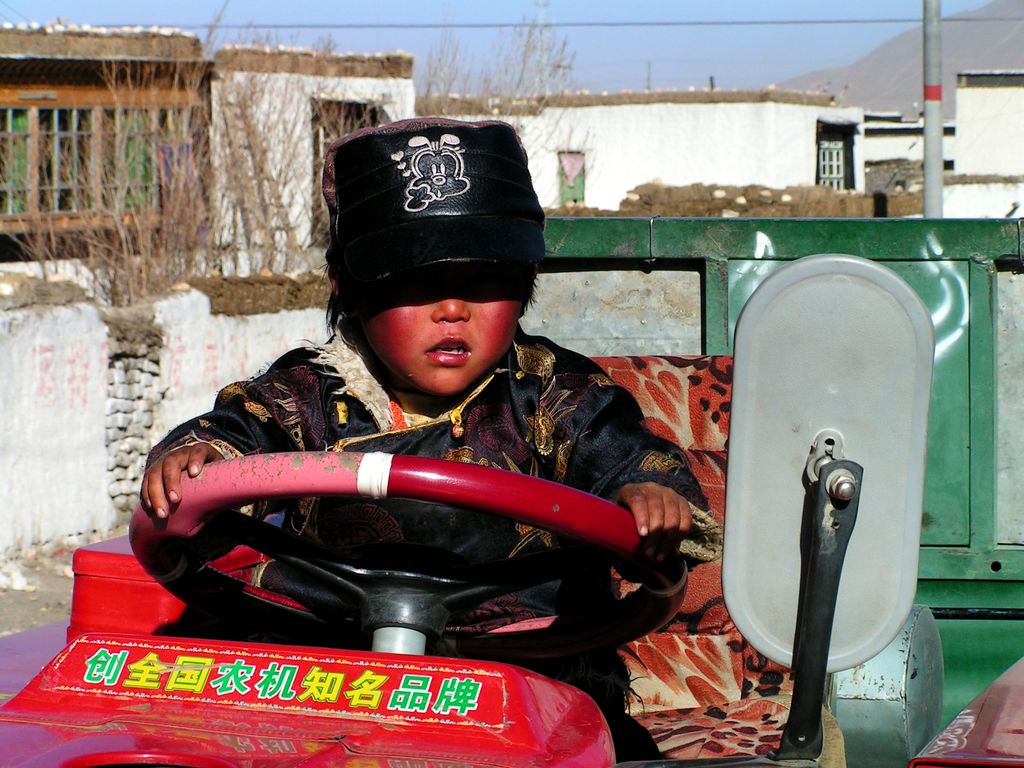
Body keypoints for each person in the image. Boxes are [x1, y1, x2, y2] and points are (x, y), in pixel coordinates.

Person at [141, 117, 716, 760]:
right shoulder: (308, 392)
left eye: (483, 282)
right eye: (416, 283)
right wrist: (200, 458)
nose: (452, 309)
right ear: (349, 291)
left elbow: (622, 451)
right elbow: (238, 430)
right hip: (333, 675)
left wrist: (649, 490)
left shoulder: (556, 394)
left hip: (530, 675)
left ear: (524, 285)